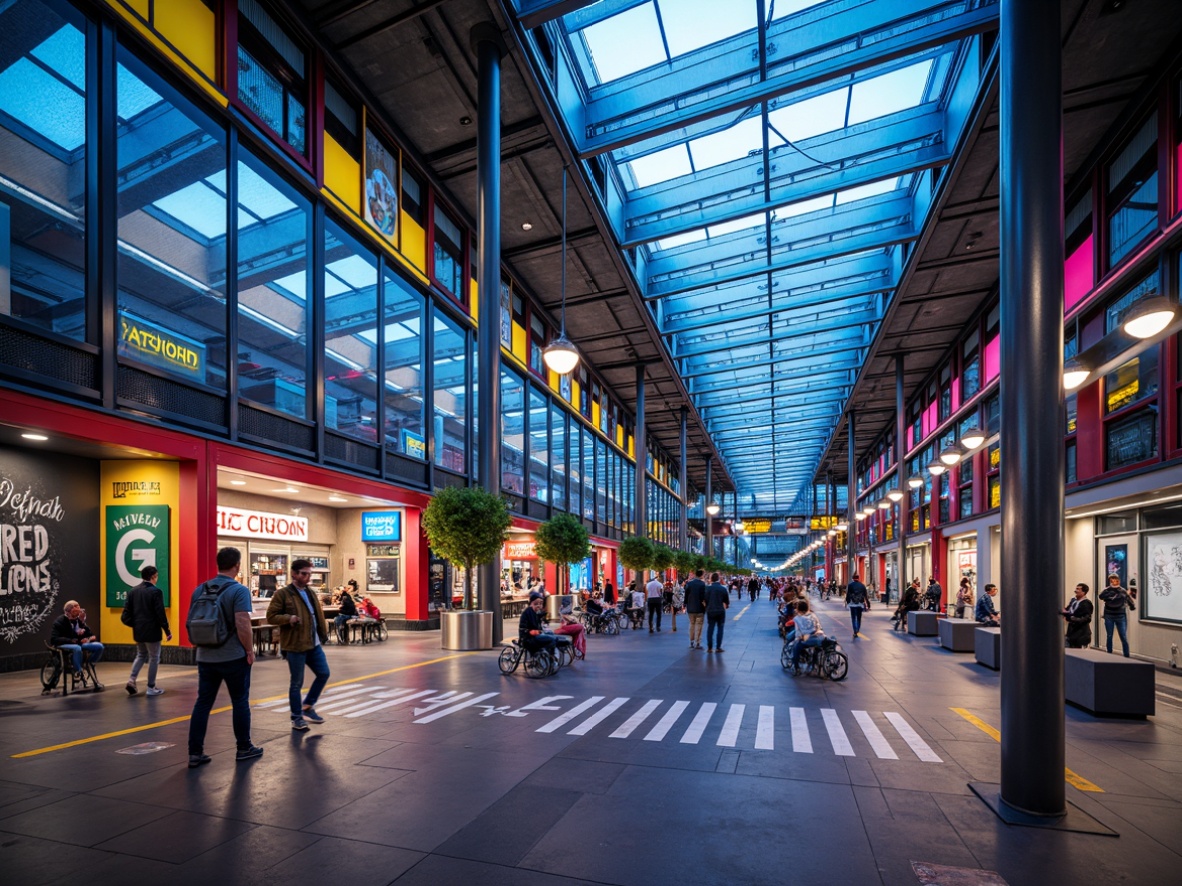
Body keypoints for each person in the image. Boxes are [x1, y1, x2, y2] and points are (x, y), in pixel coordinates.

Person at [187, 547, 263, 768]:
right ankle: (244, 747)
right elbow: (242, 623)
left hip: (205, 656)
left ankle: (195, 752)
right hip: (232, 657)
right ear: (237, 566)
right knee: (239, 700)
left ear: (217, 564)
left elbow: (191, 621)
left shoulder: (199, 589)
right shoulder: (238, 590)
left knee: (203, 703)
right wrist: (249, 650)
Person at [268, 559, 331, 732]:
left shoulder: (310, 592)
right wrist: (288, 618)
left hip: (313, 643)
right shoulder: (283, 594)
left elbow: (316, 615)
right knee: (296, 682)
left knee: (324, 673)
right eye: (304, 573)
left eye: (309, 574)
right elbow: (271, 616)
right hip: (295, 644)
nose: (307, 577)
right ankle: (297, 718)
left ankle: (308, 706)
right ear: (294, 574)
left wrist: (322, 635)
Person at [122, 565, 172, 696]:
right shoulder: (156, 592)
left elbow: (125, 616)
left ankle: (131, 680)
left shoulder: (133, 591)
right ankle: (151, 687)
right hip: (153, 631)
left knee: (141, 655)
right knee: (154, 658)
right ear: (153, 576)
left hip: (139, 632)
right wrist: (167, 630)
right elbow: (160, 614)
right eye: (156, 576)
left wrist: (136, 625)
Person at [50, 600, 104, 683]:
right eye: (76, 607)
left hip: (78, 643)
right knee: (77, 648)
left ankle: (90, 663)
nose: (79, 610)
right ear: (70, 610)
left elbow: (89, 634)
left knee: (99, 646)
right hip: (64, 644)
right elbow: (54, 639)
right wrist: (71, 640)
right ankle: (78, 671)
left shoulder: (79, 621)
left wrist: (88, 638)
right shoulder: (60, 621)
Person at [1098, 573, 1135, 657]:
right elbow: (1100, 596)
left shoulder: (1122, 591)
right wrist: (1109, 592)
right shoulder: (1107, 590)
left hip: (1120, 615)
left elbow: (1129, 600)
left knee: (1123, 635)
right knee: (1109, 635)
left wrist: (1132, 606)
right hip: (1109, 614)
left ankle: (1126, 655)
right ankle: (1109, 653)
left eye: (1115, 579)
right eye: (1112, 579)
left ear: (1118, 580)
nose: (1113, 581)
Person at [790, 599, 825, 672]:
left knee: (796, 647)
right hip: (819, 638)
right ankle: (814, 664)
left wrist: (798, 638)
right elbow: (819, 626)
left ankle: (796, 667)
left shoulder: (797, 619)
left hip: (807, 639)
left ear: (798, 609)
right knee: (817, 647)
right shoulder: (813, 615)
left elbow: (798, 632)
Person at [520, 591, 556, 655]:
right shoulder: (528, 612)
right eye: (536, 604)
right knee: (552, 639)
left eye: (540, 604)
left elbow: (543, 621)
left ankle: (548, 654)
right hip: (529, 638)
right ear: (531, 604)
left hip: (536, 634)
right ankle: (549, 654)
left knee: (552, 634)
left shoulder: (537, 612)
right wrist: (531, 632)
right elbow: (523, 629)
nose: (538, 606)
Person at [704, 571, 730, 653]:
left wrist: (707, 606)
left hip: (710, 610)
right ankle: (718, 647)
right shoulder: (723, 589)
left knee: (710, 628)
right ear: (718, 579)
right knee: (720, 628)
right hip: (720, 611)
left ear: (711, 579)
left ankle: (710, 647)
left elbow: (705, 600)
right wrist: (726, 604)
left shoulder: (708, 589)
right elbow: (726, 601)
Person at [1062, 582, 1094, 649]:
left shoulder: (1086, 603)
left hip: (1081, 633)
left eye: (1078, 589)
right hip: (1071, 632)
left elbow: (1087, 618)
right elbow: (1068, 611)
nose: (1076, 591)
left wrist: (1073, 618)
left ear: (1084, 592)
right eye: (1076, 589)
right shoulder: (1074, 602)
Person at [684, 568, 707, 649]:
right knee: (699, 625)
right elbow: (703, 597)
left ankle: (691, 641)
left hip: (690, 608)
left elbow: (686, 596)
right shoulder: (702, 584)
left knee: (691, 624)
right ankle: (697, 642)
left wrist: (685, 604)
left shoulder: (689, 584)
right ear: (701, 575)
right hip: (700, 608)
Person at [845, 573, 870, 638]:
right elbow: (865, 595)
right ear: (858, 578)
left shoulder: (850, 585)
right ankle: (858, 629)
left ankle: (855, 630)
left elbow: (848, 595)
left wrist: (847, 602)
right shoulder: (862, 585)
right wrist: (868, 604)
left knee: (853, 618)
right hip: (860, 604)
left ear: (853, 578)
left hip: (852, 604)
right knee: (859, 618)